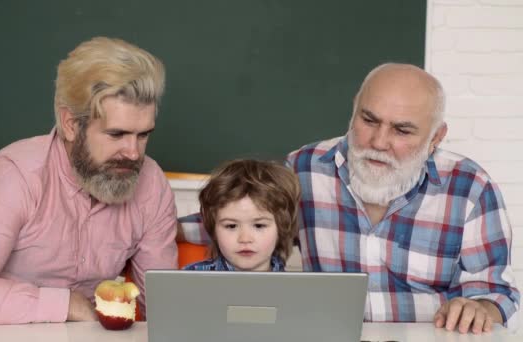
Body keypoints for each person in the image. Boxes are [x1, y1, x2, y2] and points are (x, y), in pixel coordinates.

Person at [180, 63, 520, 334]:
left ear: (436, 137)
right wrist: (144, 224)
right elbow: (229, 219)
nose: (378, 141)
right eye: (368, 120)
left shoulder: (470, 188)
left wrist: (481, 307)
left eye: (402, 130)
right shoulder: (305, 168)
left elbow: (495, 291)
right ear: (353, 112)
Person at [0, 37, 178, 324]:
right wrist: (67, 305)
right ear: (70, 123)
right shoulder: (17, 173)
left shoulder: (151, 184)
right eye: (116, 134)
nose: (133, 153)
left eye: (143, 135)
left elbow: (163, 310)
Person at [182, 159, 300, 272]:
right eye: (231, 226)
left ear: (281, 228)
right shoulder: (187, 279)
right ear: (214, 229)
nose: (245, 239)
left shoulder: (297, 288)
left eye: (259, 226)